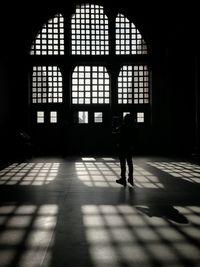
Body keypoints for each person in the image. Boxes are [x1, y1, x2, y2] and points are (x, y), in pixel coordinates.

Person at [115, 113, 136, 187]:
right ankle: (130, 178)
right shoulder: (133, 127)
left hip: (122, 146)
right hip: (129, 147)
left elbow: (117, 130)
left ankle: (123, 178)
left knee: (123, 163)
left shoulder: (123, 126)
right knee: (129, 162)